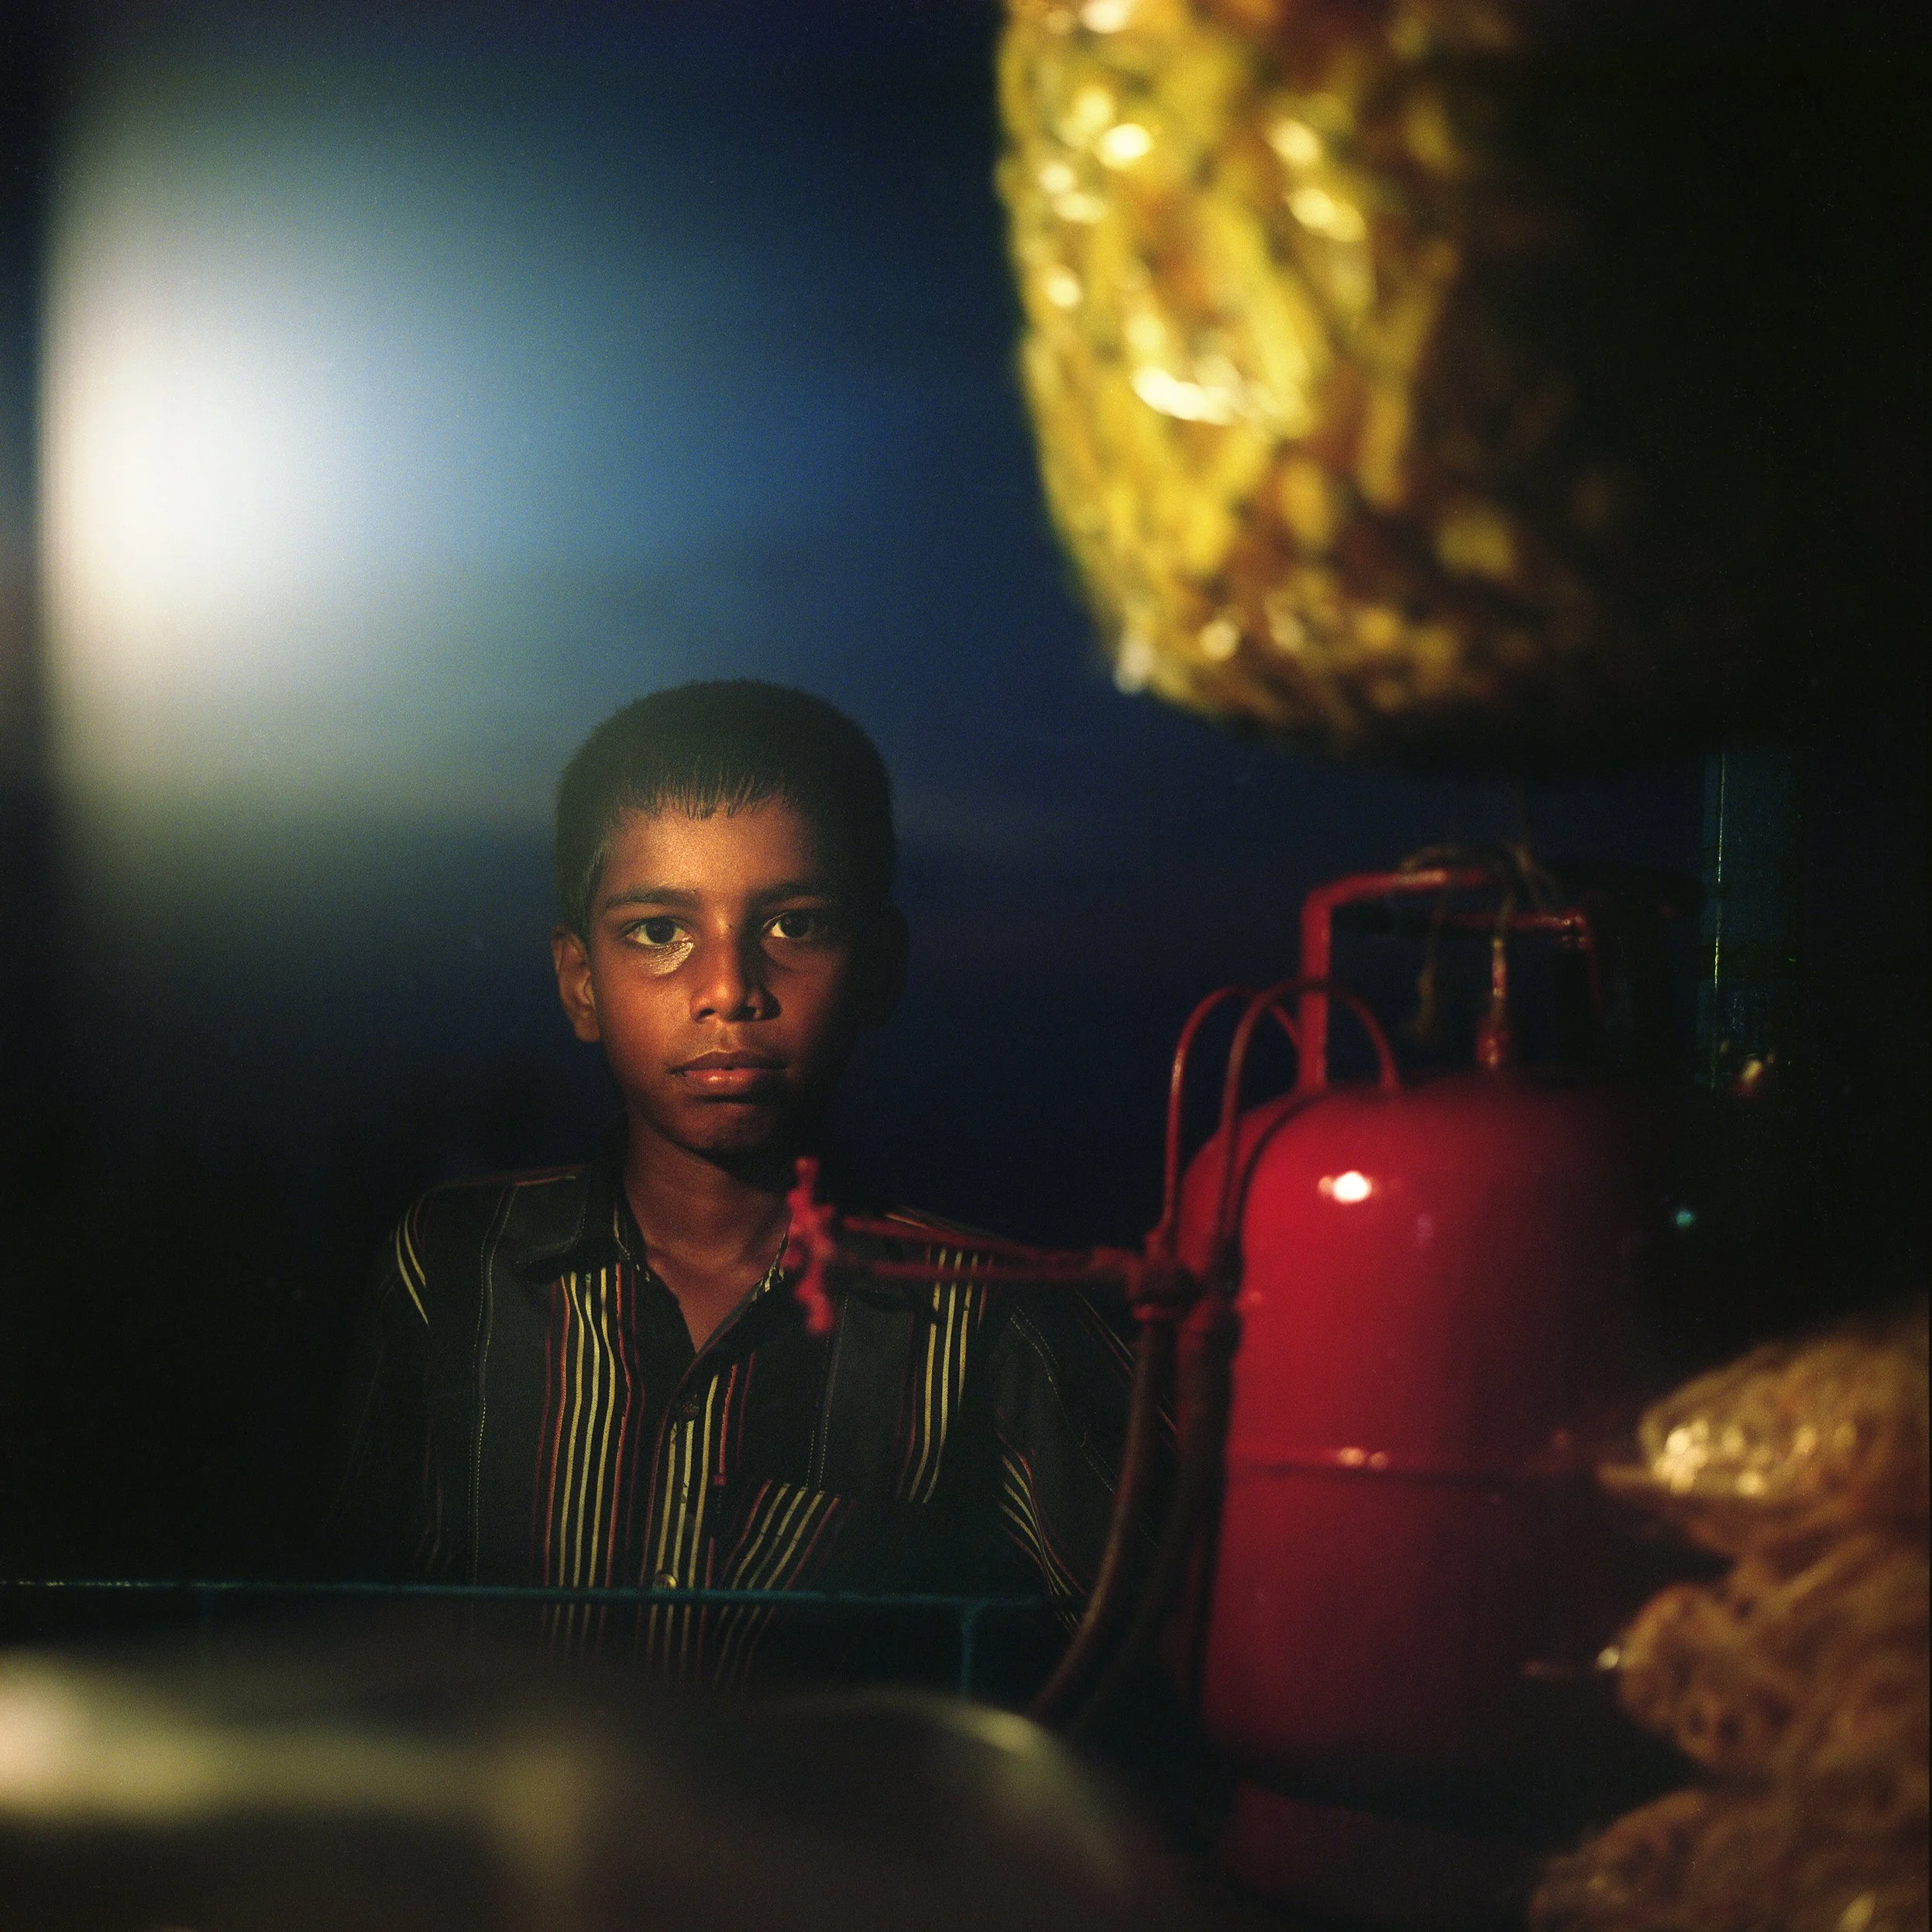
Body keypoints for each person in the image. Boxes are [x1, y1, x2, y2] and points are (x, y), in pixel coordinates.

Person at [329, 681, 1134, 1694]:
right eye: (658, 930)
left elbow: (1158, 1644)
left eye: (794, 924)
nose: (727, 987)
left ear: (878, 969)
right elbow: (351, 1625)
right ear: (579, 981)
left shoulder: (980, 1314)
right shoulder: (455, 1263)